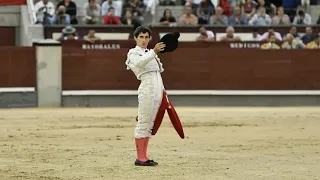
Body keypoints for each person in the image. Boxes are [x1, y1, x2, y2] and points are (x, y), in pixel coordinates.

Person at [125, 26, 166, 166]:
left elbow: (158, 73)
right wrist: (154, 52)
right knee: (143, 122)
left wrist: (163, 92)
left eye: (146, 37)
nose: (144, 40)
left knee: (150, 124)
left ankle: (144, 156)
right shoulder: (133, 53)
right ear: (135, 38)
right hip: (147, 89)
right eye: (141, 37)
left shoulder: (150, 52)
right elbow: (140, 63)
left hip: (157, 90)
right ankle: (140, 158)